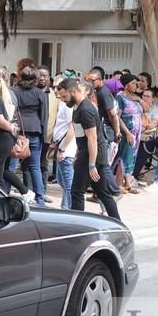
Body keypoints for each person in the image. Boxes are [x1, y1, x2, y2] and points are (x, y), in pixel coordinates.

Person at [58, 78, 120, 220]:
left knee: (77, 192)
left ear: (73, 91)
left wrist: (92, 165)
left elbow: (92, 138)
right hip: (88, 154)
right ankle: (117, 221)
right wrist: (76, 155)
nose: (62, 100)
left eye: (64, 96)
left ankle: (78, 224)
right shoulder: (78, 106)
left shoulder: (86, 109)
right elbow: (80, 135)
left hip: (91, 156)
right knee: (103, 193)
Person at [0, 67, 35, 204]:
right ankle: (6, 196)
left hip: (4, 136)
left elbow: (5, 117)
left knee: (1, 170)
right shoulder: (8, 93)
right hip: (7, 135)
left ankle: (24, 191)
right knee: (1, 171)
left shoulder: (6, 94)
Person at [12, 66, 48, 206]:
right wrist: (44, 137)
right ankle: (40, 199)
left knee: (11, 166)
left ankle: (5, 192)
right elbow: (44, 117)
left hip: (17, 131)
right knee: (35, 167)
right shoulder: (40, 94)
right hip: (35, 130)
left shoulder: (13, 91)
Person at [84, 68, 122, 197]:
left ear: (100, 80)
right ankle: (98, 192)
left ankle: (115, 192)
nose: (90, 82)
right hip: (99, 129)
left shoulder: (103, 92)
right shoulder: (96, 91)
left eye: (92, 80)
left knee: (103, 164)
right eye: (87, 80)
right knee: (98, 163)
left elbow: (112, 114)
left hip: (105, 131)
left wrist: (117, 132)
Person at [115, 73, 144, 193]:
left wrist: (139, 99)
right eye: (133, 83)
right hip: (127, 132)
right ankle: (118, 184)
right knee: (124, 157)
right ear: (126, 85)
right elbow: (117, 117)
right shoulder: (120, 98)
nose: (135, 85)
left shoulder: (134, 97)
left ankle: (128, 183)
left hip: (136, 133)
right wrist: (126, 133)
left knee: (132, 157)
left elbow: (147, 108)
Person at [52, 77, 78, 210]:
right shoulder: (64, 104)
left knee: (69, 185)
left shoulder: (68, 106)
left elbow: (72, 129)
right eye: (55, 86)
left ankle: (66, 209)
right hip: (62, 147)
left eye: (59, 87)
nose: (56, 91)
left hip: (67, 150)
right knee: (62, 181)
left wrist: (62, 149)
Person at [38, 65, 58, 201]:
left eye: (44, 75)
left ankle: (43, 191)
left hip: (48, 136)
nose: (42, 78)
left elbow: (58, 116)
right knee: (30, 165)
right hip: (33, 135)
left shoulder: (54, 95)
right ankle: (31, 191)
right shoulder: (31, 92)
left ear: (49, 78)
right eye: (39, 75)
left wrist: (54, 138)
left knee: (44, 166)